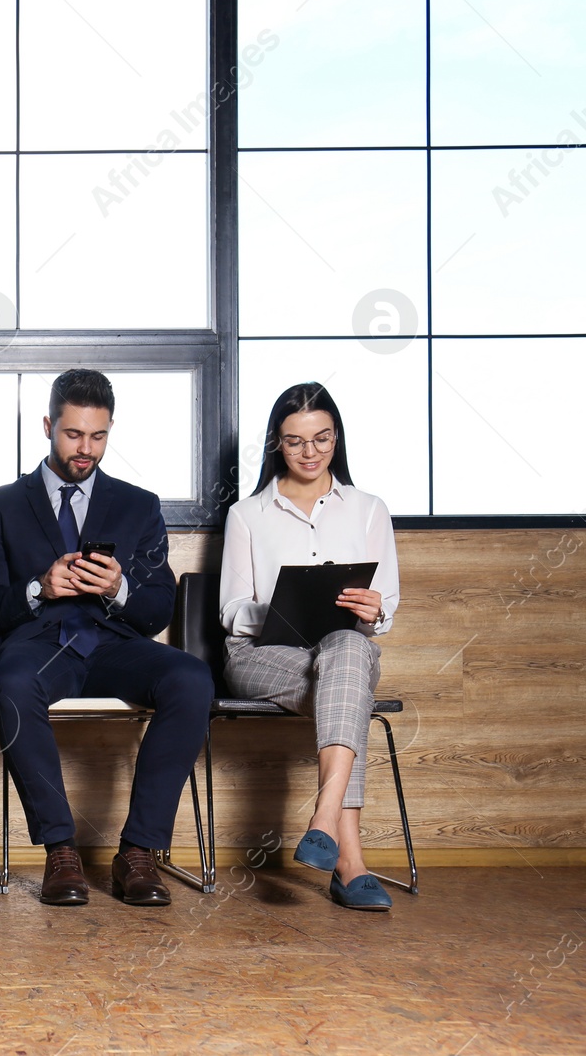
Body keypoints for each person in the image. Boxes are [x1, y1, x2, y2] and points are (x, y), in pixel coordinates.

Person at [0, 368, 212, 908]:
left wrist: (120, 588)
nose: (86, 449)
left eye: (98, 436)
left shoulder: (138, 505)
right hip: (38, 645)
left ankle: (140, 851)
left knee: (191, 678)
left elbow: (155, 611)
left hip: (112, 643)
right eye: (74, 435)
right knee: (9, 681)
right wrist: (37, 588)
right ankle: (60, 850)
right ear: (48, 425)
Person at [220, 383, 401, 911]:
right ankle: (350, 859)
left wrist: (374, 609)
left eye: (321, 439)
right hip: (259, 657)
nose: (309, 452)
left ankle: (327, 829)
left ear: (336, 438)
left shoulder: (368, 509)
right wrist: (279, 607)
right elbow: (230, 610)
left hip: (342, 651)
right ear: (277, 444)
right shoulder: (247, 513)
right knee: (350, 687)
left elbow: (385, 603)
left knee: (347, 649)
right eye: (295, 441)